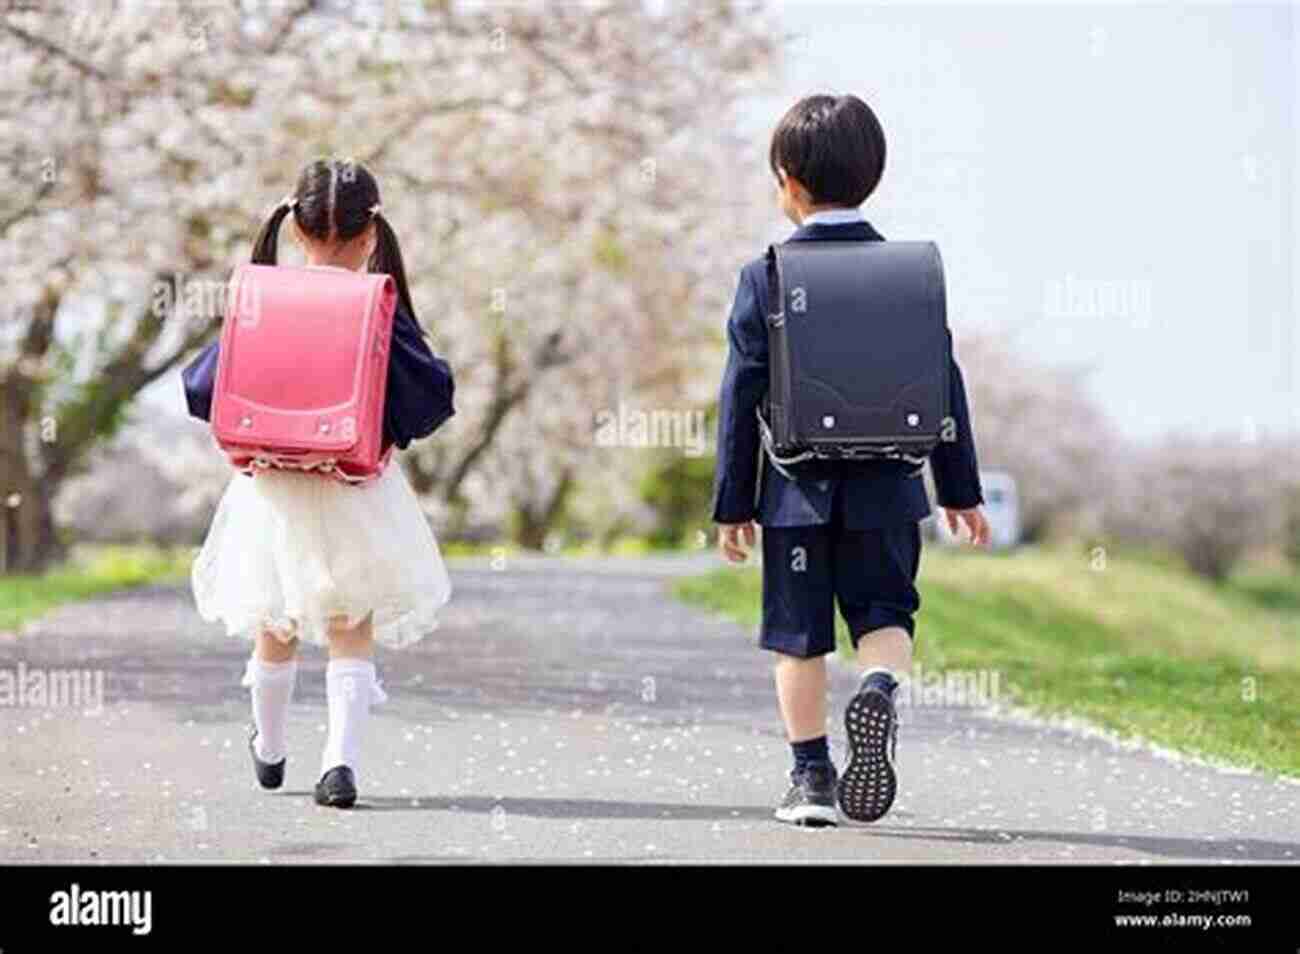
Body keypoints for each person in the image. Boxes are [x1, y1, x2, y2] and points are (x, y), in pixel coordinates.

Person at [711, 94, 989, 827]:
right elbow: (945, 379)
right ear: (874, 175)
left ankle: (810, 781)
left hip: (797, 493)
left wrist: (732, 504)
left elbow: (741, 395)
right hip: (890, 489)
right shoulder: (909, 272)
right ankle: (878, 688)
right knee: (884, 613)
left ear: (788, 178)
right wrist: (960, 488)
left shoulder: (764, 275)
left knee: (797, 639)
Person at [182, 158, 455, 809]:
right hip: (354, 487)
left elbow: (201, 388)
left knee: (273, 619)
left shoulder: (261, 298)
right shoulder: (376, 306)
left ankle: (271, 748)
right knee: (349, 619)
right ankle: (340, 762)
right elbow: (430, 397)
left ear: (295, 233)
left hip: (270, 493)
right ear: (371, 235)